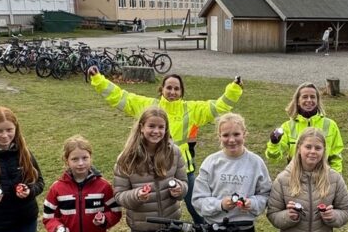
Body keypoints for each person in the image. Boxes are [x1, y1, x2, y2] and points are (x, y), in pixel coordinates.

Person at [88, 68, 242, 223]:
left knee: (196, 205)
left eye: (177, 88)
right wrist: (98, 80)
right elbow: (121, 97)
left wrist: (234, 88)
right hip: (151, 169)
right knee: (155, 206)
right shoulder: (148, 106)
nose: (172, 92)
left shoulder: (192, 109)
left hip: (182, 169)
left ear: (182, 92)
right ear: (161, 89)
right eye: (169, 87)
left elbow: (219, 106)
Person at [192, 113, 271, 232]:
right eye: (225, 135)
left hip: (244, 229)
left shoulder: (255, 162)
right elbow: (198, 199)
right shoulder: (212, 162)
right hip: (217, 229)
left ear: (245, 134)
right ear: (219, 137)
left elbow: (266, 193)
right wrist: (220, 205)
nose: (231, 139)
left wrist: (252, 204)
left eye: (236, 134)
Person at [266, 82, 344, 172]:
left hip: (322, 176)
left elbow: (336, 157)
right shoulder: (287, 126)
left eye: (313, 97)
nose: (309, 100)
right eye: (305, 97)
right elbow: (273, 159)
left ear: (318, 101)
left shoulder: (331, 125)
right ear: (298, 101)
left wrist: (335, 177)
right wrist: (274, 143)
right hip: (296, 176)